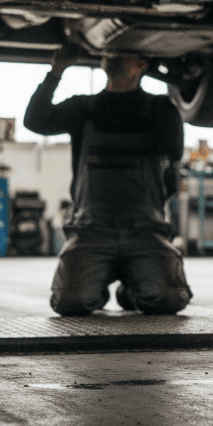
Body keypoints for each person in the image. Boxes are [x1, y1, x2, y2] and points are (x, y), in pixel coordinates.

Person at [24, 51, 192, 316]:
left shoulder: (161, 110)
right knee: (71, 303)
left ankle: (132, 289)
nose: (116, 57)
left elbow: (173, 161)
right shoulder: (82, 107)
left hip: (144, 232)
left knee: (169, 299)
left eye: (125, 54)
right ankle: (98, 287)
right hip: (92, 231)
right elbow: (35, 121)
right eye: (112, 53)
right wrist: (55, 71)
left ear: (141, 66)